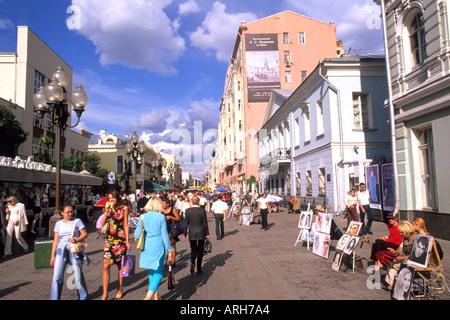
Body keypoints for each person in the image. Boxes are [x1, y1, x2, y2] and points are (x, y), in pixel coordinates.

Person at [134, 197, 173, 300]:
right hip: (158, 245)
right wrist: (169, 249)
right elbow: (164, 235)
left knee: (152, 271)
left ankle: (156, 296)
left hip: (147, 245)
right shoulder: (161, 217)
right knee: (159, 273)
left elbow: (137, 234)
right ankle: (148, 297)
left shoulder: (143, 216)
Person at [50, 204, 89, 300]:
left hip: (74, 251)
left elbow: (84, 234)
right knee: (56, 277)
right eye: (67, 212)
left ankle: (83, 297)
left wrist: (76, 239)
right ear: (62, 213)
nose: (70, 214)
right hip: (61, 251)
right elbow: (56, 240)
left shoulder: (77, 221)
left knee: (77, 276)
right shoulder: (58, 223)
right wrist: (52, 256)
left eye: (71, 211)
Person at [100, 190, 131, 300]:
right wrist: (106, 213)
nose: (110, 200)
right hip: (110, 240)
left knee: (120, 266)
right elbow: (102, 224)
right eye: (109, 198)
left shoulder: (124, 209)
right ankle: (105, 293)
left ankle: (120, 288)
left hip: (120, 240)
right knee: (105, 266)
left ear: (117, 198)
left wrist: (127, 241)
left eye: (112, 198)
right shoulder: (108, 209)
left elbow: (126, 225)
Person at [385, 221, 416, 290]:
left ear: (407, 232)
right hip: (406, 258)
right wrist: (395, 251)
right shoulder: (405, 238)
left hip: (412, 260)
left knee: (394, 265)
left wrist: (400, 258)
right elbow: (401, 247)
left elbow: (414, 256)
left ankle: (393, 284)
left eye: (402, 232)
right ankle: (392, 283)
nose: (401, 234)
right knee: (391, 263)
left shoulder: (415, 240)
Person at [183, 196, 210, 274]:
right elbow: (205, 223)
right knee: (200, 249)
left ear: (191, 201)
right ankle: (199, 267)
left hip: (192, 232)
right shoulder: (202, 210)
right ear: (199, 202)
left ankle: (192, 263)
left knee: (193, 249)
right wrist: (207, 233)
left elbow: (186, 223)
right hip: (201, 231)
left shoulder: (188, 211)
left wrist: (185, 233)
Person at [162, 197, 181, 266]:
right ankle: (164, 261)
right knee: (163, 246)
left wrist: (171, 217)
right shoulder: (161, 211)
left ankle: (173, 261)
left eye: (163, 203)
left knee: (172, 245)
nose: (162, 205)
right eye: (162, 203)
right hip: (162, 230)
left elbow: (178, 218)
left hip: (171, 230)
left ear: (167, 204)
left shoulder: (172, 210)